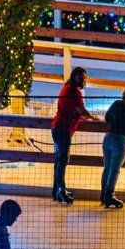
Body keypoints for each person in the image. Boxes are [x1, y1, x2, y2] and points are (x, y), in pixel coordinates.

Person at [48, 69, 95, 205]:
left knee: (59, 161)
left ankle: (57, 190)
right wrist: (92, 117)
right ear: (75, 77)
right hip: (63, 129)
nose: (82, 80)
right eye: (81, 77)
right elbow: (82, 111)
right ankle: (60, 191)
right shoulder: (74, 91)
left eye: (84, 77)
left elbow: (75, 110)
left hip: (57, 127)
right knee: (62, 161)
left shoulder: (66, 88)